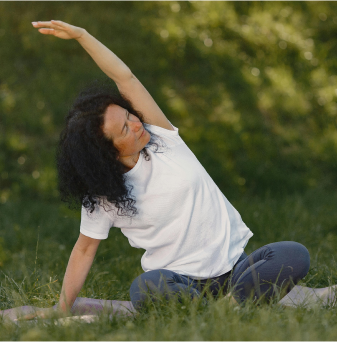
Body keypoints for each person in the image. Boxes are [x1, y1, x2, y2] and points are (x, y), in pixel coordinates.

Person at [23, 20, 333, 320]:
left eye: (130, 115)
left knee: (293, 254)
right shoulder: (104, 195)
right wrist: (63, 307)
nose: (136, 123)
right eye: (124, 129)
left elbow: (125, 78)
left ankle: (227, 306)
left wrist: (83, 36)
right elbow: (84, 250)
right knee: (145, 289)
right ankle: (229, 307)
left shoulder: (162, 136)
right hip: (180, 284)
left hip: (236, 270)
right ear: (106, 153)